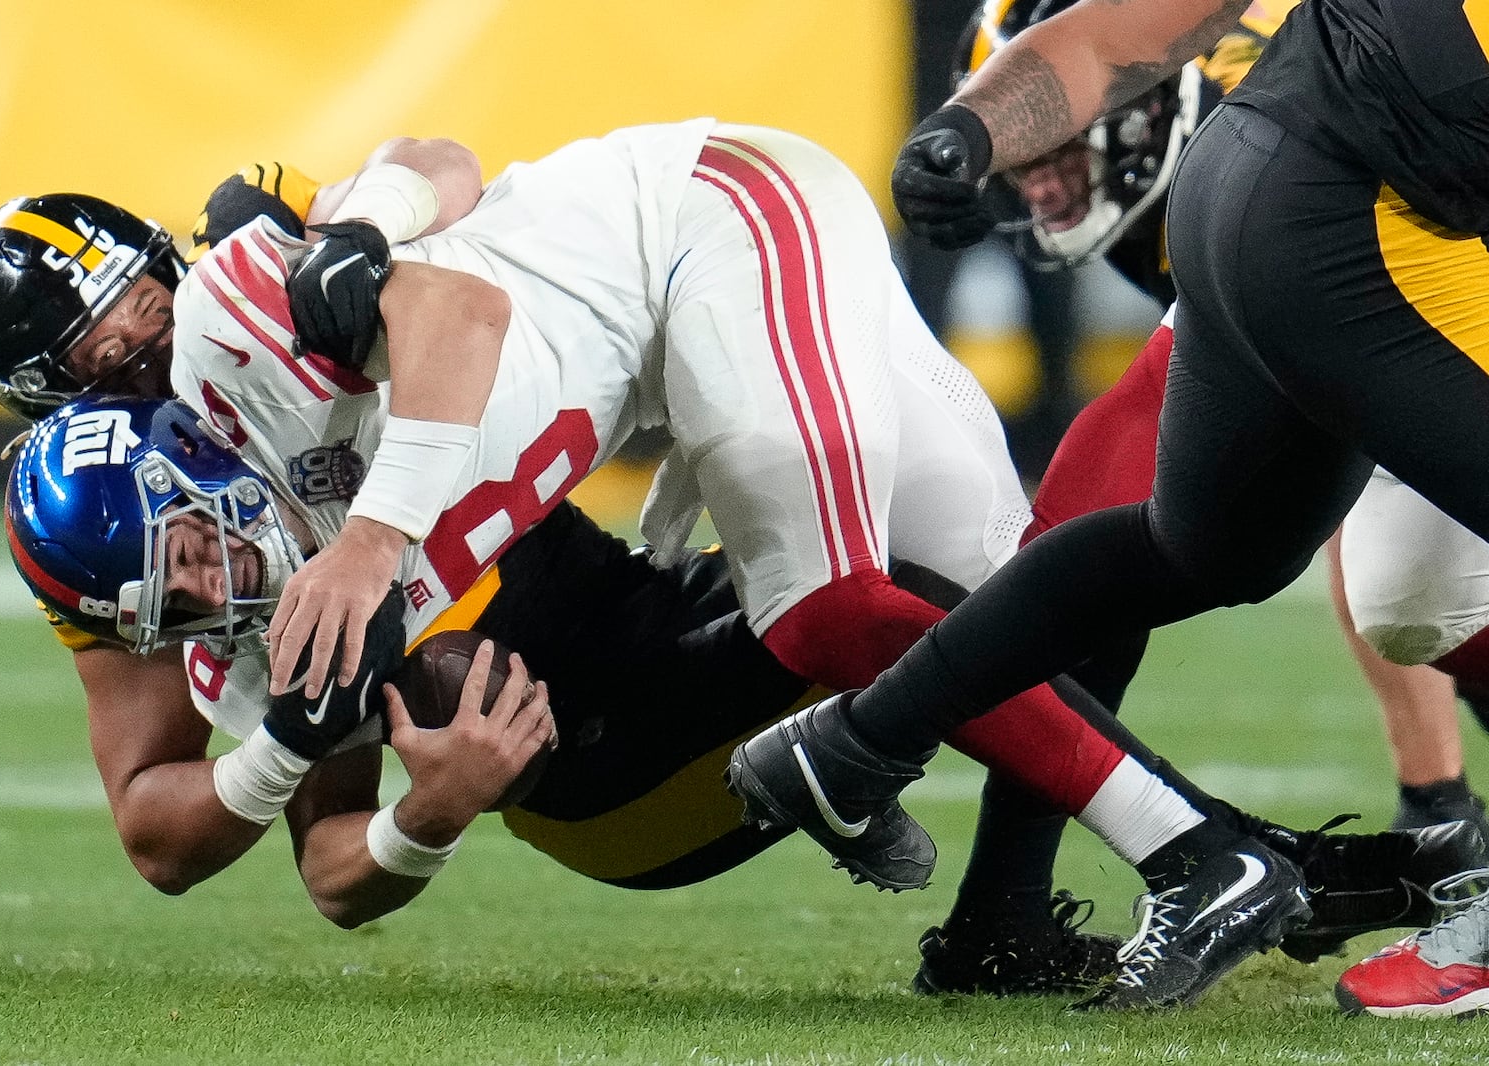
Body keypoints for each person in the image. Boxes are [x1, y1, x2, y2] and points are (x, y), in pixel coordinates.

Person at [168, 118, 1478, 1009]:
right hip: (685, 331)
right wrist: (397, 800)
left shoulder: (311, 340)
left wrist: (373, 514)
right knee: (1004, 597)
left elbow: (441, 240)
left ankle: (1204, 851)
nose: (199, 564)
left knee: (830, 597)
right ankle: (1018, 922)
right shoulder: (279, 552)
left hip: (710, 216)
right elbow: (222, 840)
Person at [0, 168, 1118, 990]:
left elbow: (442, 181)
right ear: (64, 411)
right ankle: (900, 771)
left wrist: (365, 231)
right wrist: (396, 797)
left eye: (152, 312)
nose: (160, 362)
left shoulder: (246, 305)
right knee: (452, 671)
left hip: (621, 598)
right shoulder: (131, 541)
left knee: (994, 581)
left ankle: (963, 871)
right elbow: (204, 840)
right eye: (112, 366)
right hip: (587, 755)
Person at [729, 0, 1489, 1012]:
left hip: (1250, 190)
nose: (1041, 182)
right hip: (1362, 224)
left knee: (1300, 566)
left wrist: (968, 128)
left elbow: (1115, 28)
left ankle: (860, 742)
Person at [959, 0, 1489, 842]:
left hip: (1413, 253)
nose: (1042, 186)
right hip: (1360, 264)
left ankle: (1441, 812)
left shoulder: (1245, 98)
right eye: (1024, 161)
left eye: (1053, 148)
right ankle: (1442, 813)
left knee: (1401, 568)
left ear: (1145, 110)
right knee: (1399, 580)